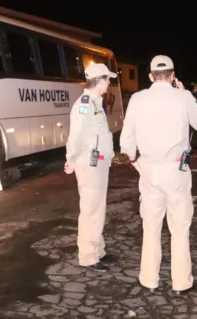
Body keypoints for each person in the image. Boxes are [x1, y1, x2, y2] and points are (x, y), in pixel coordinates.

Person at [119, 55, 197, 295]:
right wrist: (186, 93)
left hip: (149, 170)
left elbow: (127, 138)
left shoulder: (138, 99)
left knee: (151, 226)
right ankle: (181, 283)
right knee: (179, 227)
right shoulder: (182, 97)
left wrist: (134, 160)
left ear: (150, 76)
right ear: (172, 76)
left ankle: (149, 280)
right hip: (175, 171)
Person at [64, 62, 118, 271]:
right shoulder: (84, 104)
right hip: (89, 163)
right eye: (108, 80)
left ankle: (98, 250)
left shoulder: (95, 102)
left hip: (99, 163)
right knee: (90, 210)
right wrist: (72, 159)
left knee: (98, 209)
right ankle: (88, 256)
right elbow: (75, 134)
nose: (109, 83)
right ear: (100, 80)